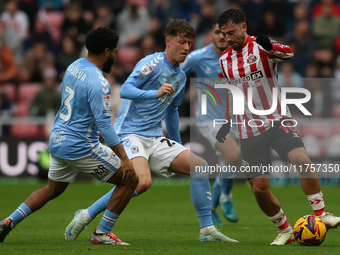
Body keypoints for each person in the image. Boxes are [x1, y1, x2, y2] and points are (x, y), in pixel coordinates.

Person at [64, 19, 238, 243]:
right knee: (142, 182)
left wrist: (176, 145)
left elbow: (173, 111)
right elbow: (126, 89)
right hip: (129, 133)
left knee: (200, 167)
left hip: (155, 136)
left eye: (189, 43)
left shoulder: (181, 76)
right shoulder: (152, 63)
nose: (186, 47)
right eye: (181, 42)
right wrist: (154, 93)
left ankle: (207, 231)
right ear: (168, 41)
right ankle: (91, 219)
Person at [0, 27, 139, 246]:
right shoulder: (99, 82)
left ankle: (8, 220)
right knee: (130, 179)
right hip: (81, 145)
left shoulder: (73, 67)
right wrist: (124, 158)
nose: (115, 54)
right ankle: (102, 233)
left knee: (52, 189)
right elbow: (104, 124)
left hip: (58, 139)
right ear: (105, 52)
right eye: (114, 51)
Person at [215, 9, 340, 245]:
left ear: (244, 27)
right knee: (259, 188)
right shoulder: (224, 60)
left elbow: (289, 53)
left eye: (231, 32)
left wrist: (271, 47)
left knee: (302, 160)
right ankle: (284, 230)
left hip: (276, 119)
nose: (228, 38)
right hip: (248, 128)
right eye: (224, 34)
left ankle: (322, 214)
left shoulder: (261, 46)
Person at [181, 18, 241, 225]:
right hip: (208, 118)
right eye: (217, 32)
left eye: (225, 33)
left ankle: (213, 207)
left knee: (228, 164)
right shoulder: (197, 57)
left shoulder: (238, 56)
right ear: (210, 35)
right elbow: (176, 74)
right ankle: (226, 197)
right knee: (233, 155)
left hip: (234, 118)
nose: (222, 37)